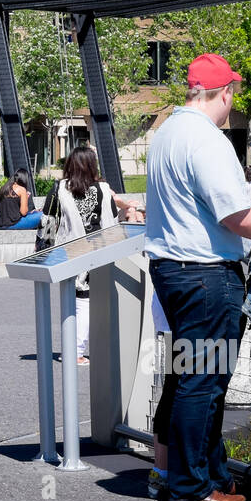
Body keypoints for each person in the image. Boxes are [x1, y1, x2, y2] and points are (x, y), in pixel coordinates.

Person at [144, 54, 251, 501]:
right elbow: (235, 214)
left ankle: (208, 475)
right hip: (206, 276)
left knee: (191, 376)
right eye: (233, 91)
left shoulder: (168, 132)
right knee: (203, 381)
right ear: (225, 93)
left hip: (174, 272)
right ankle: (191, 488)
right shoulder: (206, 140)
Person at [37, 146, 145, 366]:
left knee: (77, 300)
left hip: (71, 251)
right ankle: (87, 348)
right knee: (94, 301)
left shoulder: (60, 188)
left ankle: (74, 349)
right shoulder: (103, 188)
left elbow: (48, 220)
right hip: (100, 249)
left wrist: (43, 253)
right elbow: (112, 221)